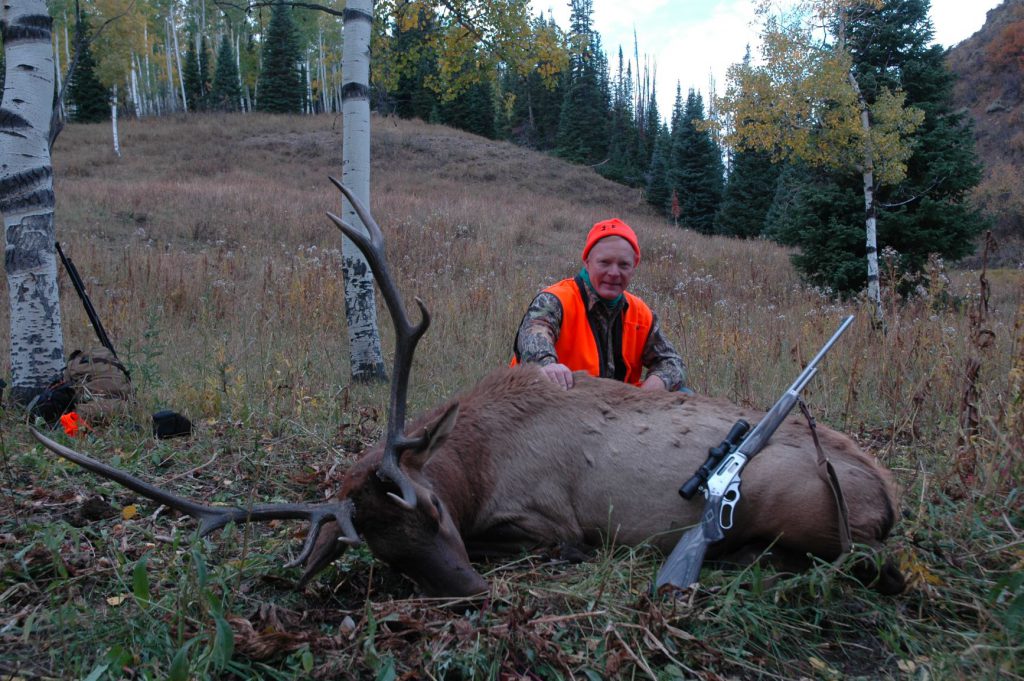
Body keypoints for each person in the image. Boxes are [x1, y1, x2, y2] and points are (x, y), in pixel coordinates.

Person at [512, 218, 687, 391]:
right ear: (587, 263)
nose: (614, 273)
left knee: (683, 394)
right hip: (557, 399)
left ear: (634, 268)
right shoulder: (555, 300)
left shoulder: (641, 314)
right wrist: (546, 365)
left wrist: (658, 383)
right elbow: (533, 335)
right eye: (604, 262)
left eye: (624, 265)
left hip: (614, 407)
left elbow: (671, 362)